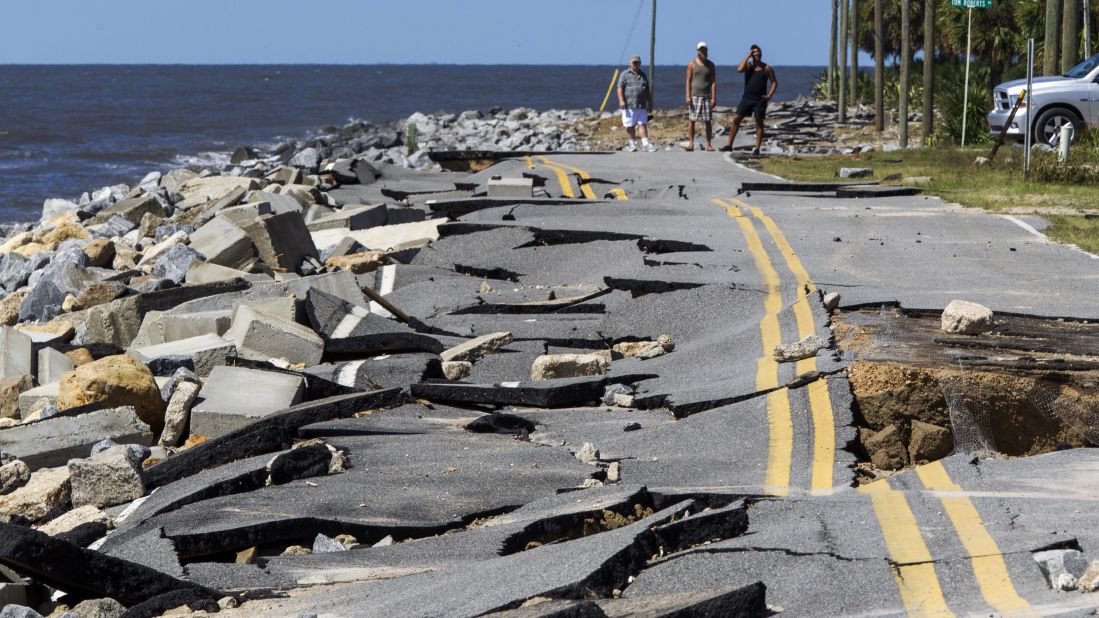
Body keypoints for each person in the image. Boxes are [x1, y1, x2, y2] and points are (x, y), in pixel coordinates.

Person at [721, 44, 778, 156]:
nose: (756, 53)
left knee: (759, 123)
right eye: (754, 52)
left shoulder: (767, 68)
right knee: (736, 119)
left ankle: (757, 149)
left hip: (760, 100)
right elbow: (739, 69)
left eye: (758, 51)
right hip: (747, 98)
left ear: (761, 53)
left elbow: (774, 83)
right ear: (752, 54)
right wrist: (747, 56)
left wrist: (769, 96)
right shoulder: (748, 66)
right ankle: (729, 145)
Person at [617, 54, 656, 152]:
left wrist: (650, 103)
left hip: (642, 105)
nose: (635, 65)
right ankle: (632, 144)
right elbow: (619, 88)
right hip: (629, 105)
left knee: (642, 124)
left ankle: (646, 144)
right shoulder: (624, 74)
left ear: (640, 63)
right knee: (630, 126)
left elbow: (647, 90)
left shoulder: (643, 75)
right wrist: (621, 101)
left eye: (637, 63)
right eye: (633, 63)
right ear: (630, 63)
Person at [684, 41, 716, 151]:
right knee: (692, 120)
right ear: (698, 51)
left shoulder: (711, 65)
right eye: (701, 49)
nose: (702, 51)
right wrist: (688, 96)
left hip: (707, 96)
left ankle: (709, 144)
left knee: (708, 121)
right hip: (694, 96)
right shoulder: (692, 64)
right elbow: (688, 81)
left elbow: (713, 82)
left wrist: (714, 97)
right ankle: (691, 143)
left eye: (704, 49)